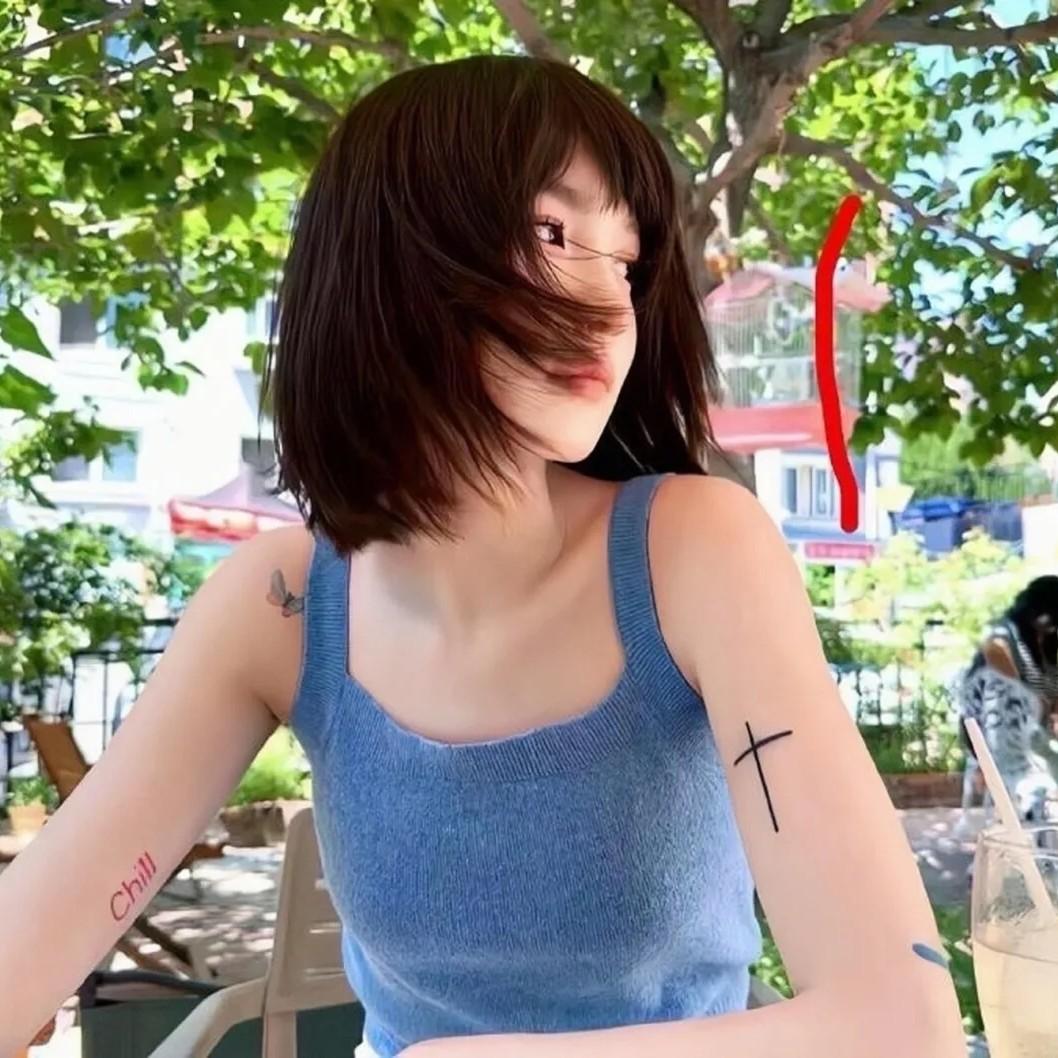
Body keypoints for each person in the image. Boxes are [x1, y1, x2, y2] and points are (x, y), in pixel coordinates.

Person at [0, 56, 965, 1058]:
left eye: (626, 263)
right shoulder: (279, 605)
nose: (609, 305)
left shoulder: (693, 552)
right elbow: (34, 935)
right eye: (553, 234)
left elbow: (898, 1024)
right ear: (385, 252)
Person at [958, 575, 1058, 823]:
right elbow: (993, 650)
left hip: (1036, 732)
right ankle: (1025, 797)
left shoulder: (1050, 645)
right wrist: (1030, 695)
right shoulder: (1007, 634)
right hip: (1001, 728)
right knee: (1007, 692)